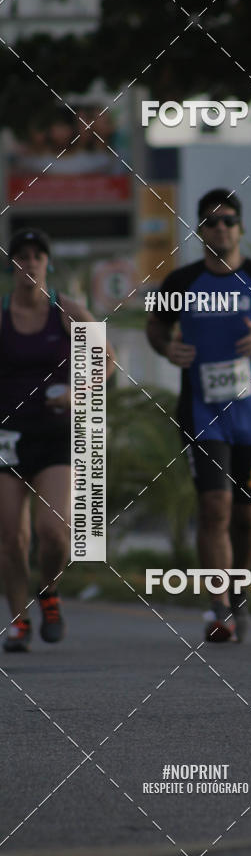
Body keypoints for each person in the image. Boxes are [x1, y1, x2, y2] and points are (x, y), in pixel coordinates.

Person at [146, 190, 251, 643]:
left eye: (228, 221)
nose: (220, 229)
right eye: (211, 222)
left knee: (245, 516)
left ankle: (237, 594)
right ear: (199, 230)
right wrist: (167, 348)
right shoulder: (181, 282)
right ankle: (218, 609)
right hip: (201, 413)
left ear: (241, 228)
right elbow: (155, 326)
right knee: (213, 507)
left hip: (250, 417)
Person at [0, 228, 115, 652]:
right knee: (12, 538)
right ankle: (19, 622)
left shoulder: (67, 311)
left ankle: (48, 592)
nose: (29, 262)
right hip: (8, 436)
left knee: (54, 532)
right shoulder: (2, 314)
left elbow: (107, 360)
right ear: (12, 265)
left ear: (47, 263)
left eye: (37, 255)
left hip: (56, 436)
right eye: (21, 256)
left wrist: (78, 393)